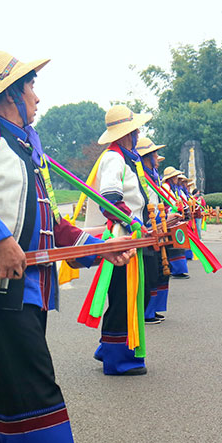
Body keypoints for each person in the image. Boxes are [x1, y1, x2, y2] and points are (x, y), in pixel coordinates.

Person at [0, 51, 132, 443]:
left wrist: (101, 248)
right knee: (33, 387)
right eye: (31, 86)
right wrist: (1, 240)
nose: (37, 97)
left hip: (29, 290)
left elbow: (51, 226)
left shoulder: (27, 151)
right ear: (10, 95)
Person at [86, 104, 156, 376]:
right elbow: (110, 198)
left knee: (135, 290)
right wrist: (131, 221)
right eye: (136, 130)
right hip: (122, 235)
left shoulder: (126, 159)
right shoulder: (114, 158)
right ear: (129, 133)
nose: (138, 134)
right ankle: (118, 358)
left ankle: (109, 347)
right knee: (124, 296)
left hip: (133, 234)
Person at [137, 136, 168, 325]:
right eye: (155, 153)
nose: (158, 157)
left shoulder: (153, 178)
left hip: (156, 228)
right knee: (149, 274)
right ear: (147, 157)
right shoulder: (143, 179)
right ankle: (146, 312)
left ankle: (151, 310)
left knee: (157, 272)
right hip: (146, 230)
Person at [161, 166, 190, 279]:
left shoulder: (175, 189)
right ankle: (176, 269)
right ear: (171, 178)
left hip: (176, 216)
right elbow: (166, 202)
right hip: (169, 216)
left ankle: (179, 269)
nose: (177, 180)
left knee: (178, 242)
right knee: (174, 243)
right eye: (176, 177)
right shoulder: (166, 187)